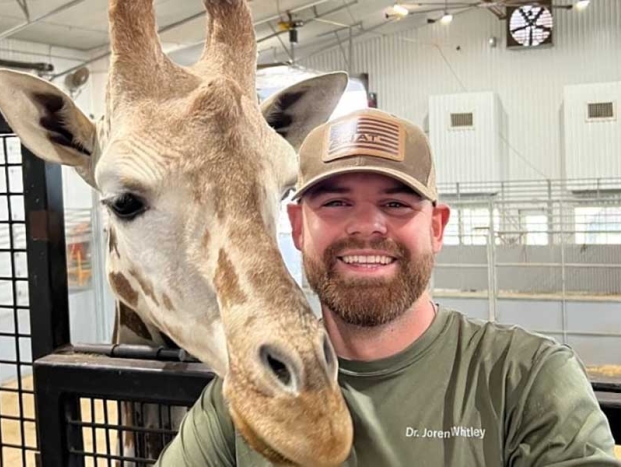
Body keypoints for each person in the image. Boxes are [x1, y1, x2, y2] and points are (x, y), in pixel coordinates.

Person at [155, 108, 619, 466]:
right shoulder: (255, 385)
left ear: (437, 227)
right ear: (298, 227)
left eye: (396, 203)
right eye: (336, 202)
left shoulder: (525, 380)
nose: (367, 225)